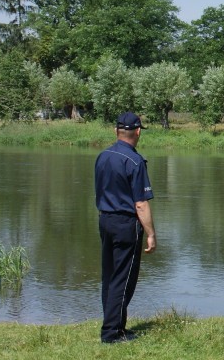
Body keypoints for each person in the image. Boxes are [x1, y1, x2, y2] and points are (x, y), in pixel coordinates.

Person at [94, 112, 157, 343]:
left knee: (110, 276)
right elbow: (140, 204)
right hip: (126, 224)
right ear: (138, 132)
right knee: (124, 278)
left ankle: (117, 326)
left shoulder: (103, 156)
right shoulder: (135, 161)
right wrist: (150, 233)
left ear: (116, 131)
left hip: (105, 220)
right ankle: (111, 333)